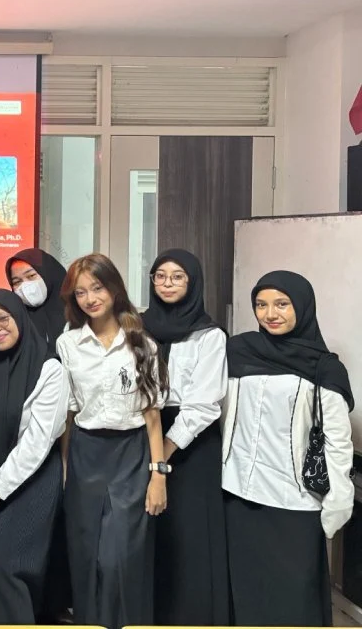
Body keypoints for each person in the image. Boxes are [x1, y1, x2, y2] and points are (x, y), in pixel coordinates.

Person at [222, 271, 354, 626]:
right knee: (244, 592)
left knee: (293, 598)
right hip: (237, 492)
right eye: (261, 304)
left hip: (293, 501)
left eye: (282, 304)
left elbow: (337, 441)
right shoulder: (238, 350)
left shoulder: (324, 367)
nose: (270, 314)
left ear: (303, 306)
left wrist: (338, 503)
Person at [56, 253, 167, 629]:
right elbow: (69, 414)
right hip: (85, 454)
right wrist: (66, 469)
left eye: (97, 288)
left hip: (131, 455)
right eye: (81, 292)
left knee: (120, 557)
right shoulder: (68, 344)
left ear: (114, 288)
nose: (90, 298)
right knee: (86, 555)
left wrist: (158, 475)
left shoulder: (142, 344)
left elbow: (153, 414)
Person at [0, 289, 68, 624]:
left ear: (18, 317)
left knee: (5, 566)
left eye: (2, 319)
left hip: (33, 481)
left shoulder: (49, 369)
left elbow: (38, 441)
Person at [140, 249, 229, 625]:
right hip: (145, 431)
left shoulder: (210, 335)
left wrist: (162, 454)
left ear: (193, 283)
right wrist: (153, 451)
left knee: (189, 534)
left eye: (177, 277)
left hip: (191, 442)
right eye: (160, 276)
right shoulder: (137, 327)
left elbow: (205, 405)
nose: (167, 284)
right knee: (148, 531)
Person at [5, 247, 70, 623]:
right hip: (27, 441)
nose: (24, 287)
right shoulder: (14, 322)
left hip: (73, 439)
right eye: (15, 281)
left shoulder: (75, 320)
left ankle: (59, 602)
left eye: (31, 277)